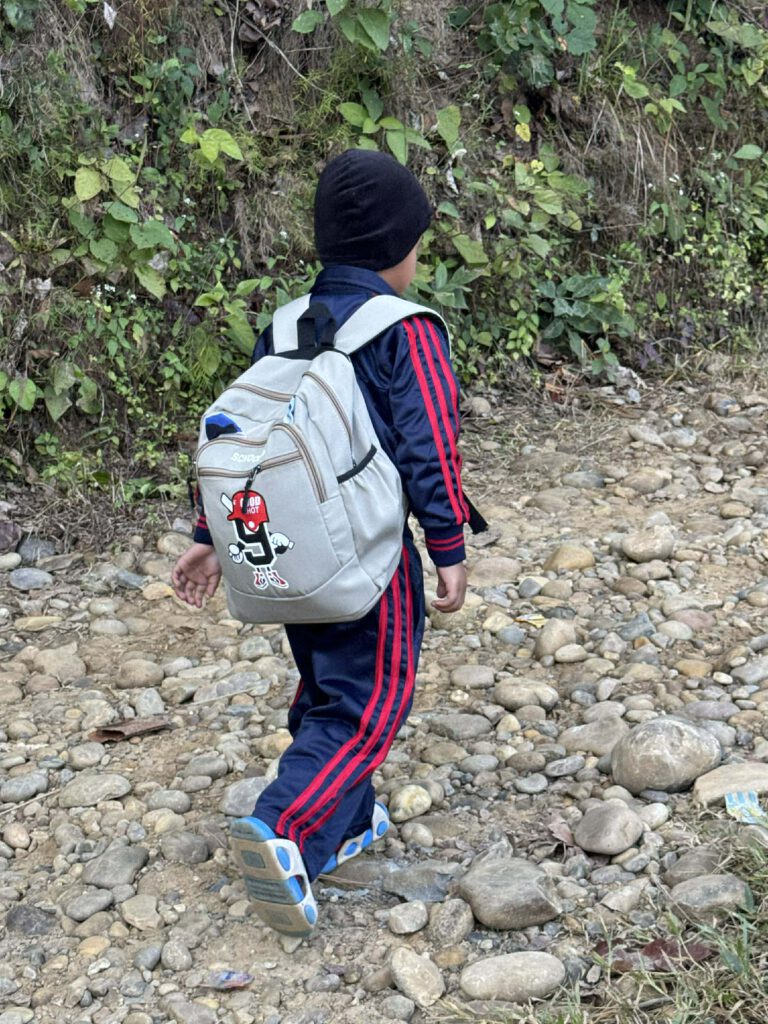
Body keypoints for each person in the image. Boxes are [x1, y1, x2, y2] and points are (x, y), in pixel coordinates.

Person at [172, 149, 473, 937]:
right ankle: (283, 824)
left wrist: (211, 535)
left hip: (288, 554)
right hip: (369, 562)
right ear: (397, 247)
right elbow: (430, 446)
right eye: (417, 241)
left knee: (328, 687)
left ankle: (343, 825)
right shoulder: (404, 331)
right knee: (367, 707)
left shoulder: (285, 325)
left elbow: (246, 436)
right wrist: (447, 545)